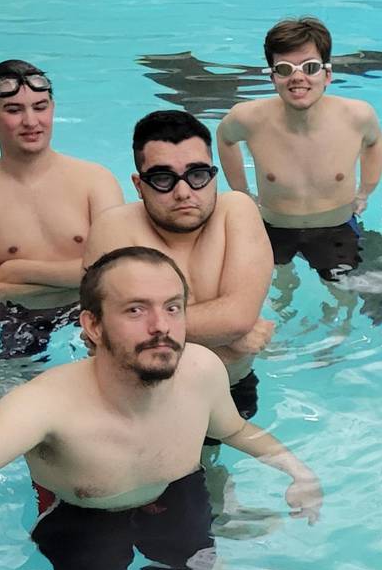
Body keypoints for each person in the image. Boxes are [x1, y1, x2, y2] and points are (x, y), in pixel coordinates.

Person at [0, 247, 322, 570]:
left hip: (173, 494)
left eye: (173, 307)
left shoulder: (202, 369)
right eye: (136, 309)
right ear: (93, 326)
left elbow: (235, 429)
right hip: (79, 515)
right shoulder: (48, 402)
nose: (160, 326)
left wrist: (298, 472)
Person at [85, 110, 275, 428]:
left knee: (217, 471)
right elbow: (106, 335)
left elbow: (237, 318)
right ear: (138, 184)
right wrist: (227, 335)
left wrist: (143, 324)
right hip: (144, 401)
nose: (184, 192)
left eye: (197, 175)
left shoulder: (236, 211)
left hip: (230, 387)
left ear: (213, 176)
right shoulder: (113, 228)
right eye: (163, 179)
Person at [0, 60, 122, 363]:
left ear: (52, 108)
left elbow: (118, 270)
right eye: (14, 110)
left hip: (92, 312)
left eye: (40, 107)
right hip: (19, 320)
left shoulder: (95, 180)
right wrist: (81, 274)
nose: (31, 121)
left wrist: (18, 270)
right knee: (10, 403)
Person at [215, 15, 382, 287]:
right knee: (279, 289)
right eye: (284, 69)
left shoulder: (357, 116)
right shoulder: (248, 119)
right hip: (273, 227)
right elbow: (224, 138)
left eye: (310, 67)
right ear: (273, 77)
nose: (298, 78)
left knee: (344, 296)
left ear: (327, 75)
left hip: (336, 228)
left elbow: (375, 142)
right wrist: (242, 194)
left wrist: (365, 191)